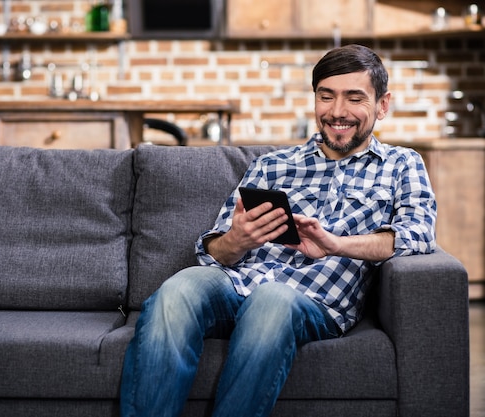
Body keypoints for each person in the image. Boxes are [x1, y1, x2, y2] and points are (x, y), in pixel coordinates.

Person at [119, 44, 437, 417]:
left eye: (355, 98)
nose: (337, 112)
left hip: (310, 301)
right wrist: (236, 240)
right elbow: (212, 254)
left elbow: (417, 234)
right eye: (326, 96)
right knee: (178, 289)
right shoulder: (271, 165)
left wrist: (336, 245)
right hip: (236, 284)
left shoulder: (401, 164)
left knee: (272, 298)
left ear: (382, 105)